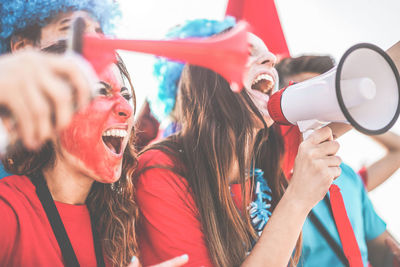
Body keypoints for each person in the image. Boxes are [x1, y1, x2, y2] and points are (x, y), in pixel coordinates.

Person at [134, 18, 343, 267]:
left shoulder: (269, 148)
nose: (271, 60)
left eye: (268, 56)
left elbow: (351, 100)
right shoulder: (160, 169)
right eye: (247, 53)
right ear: (207, 78)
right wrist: (297, 199)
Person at [0, 1, 189, 266]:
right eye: (101, 91)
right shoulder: (9, 210)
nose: (125, 108)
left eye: (125, 96)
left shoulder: (115, 223)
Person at [276, 55, 400, 267]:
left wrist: (353, 112)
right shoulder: (262, 186)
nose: (317, 110)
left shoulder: (347, 177)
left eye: (326, 98)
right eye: (305, 96)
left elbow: (383, 253)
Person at [277, 55, 400, 192]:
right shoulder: (264, 161)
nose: (317, 102)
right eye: (304, 91)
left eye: (324, 92)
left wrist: (354, 117)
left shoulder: (345, 181)